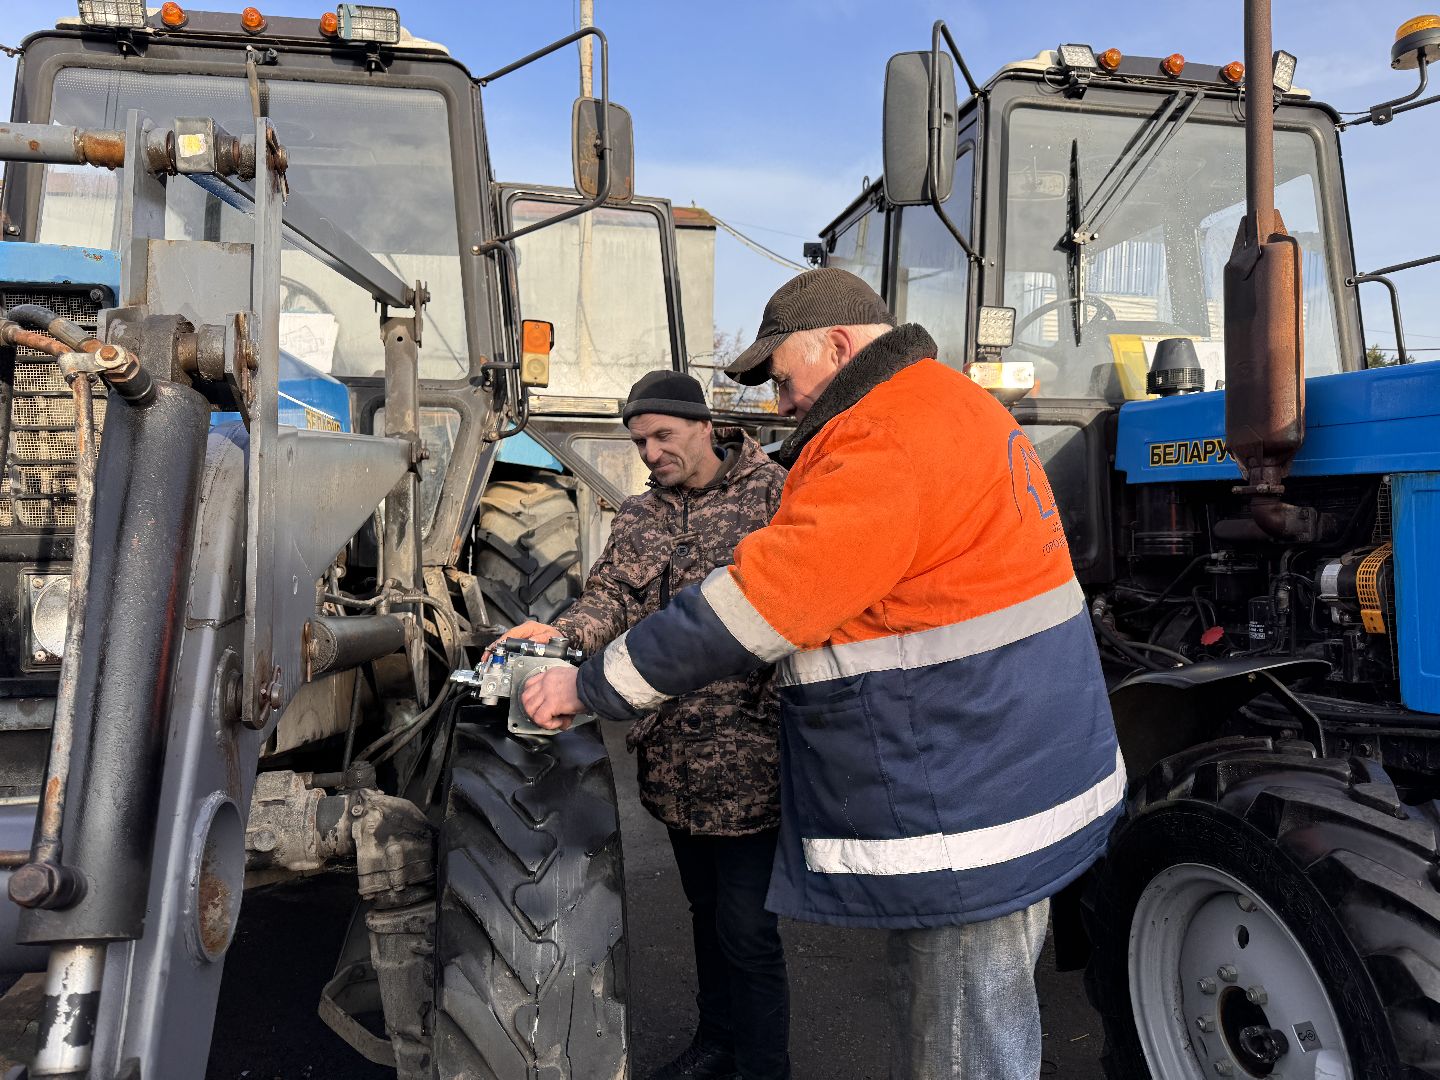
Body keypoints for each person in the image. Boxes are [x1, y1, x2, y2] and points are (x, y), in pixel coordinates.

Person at [520, 269, 1124, 1080]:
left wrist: (586, 687)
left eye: (783, 377)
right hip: (1002, 763)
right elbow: (619, 591)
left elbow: (760, 605)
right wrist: (568, 636)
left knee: (961, 1032)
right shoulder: (952, 405)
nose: (779, 402)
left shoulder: (882, 439)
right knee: (955, 1007)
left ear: (838, 345)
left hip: (968, 792)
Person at [493, 369, 790, 1080]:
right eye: (639, 441)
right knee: (705, 913)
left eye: (663, 435)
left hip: (752, 758)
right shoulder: (639, 515)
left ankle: (765, 1068)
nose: (650, 452)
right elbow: (609, 602)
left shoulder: (774, 496)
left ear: (704, 426)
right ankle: (718, 1042)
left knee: (748, 930)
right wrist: (561, 636)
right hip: (677, 760)